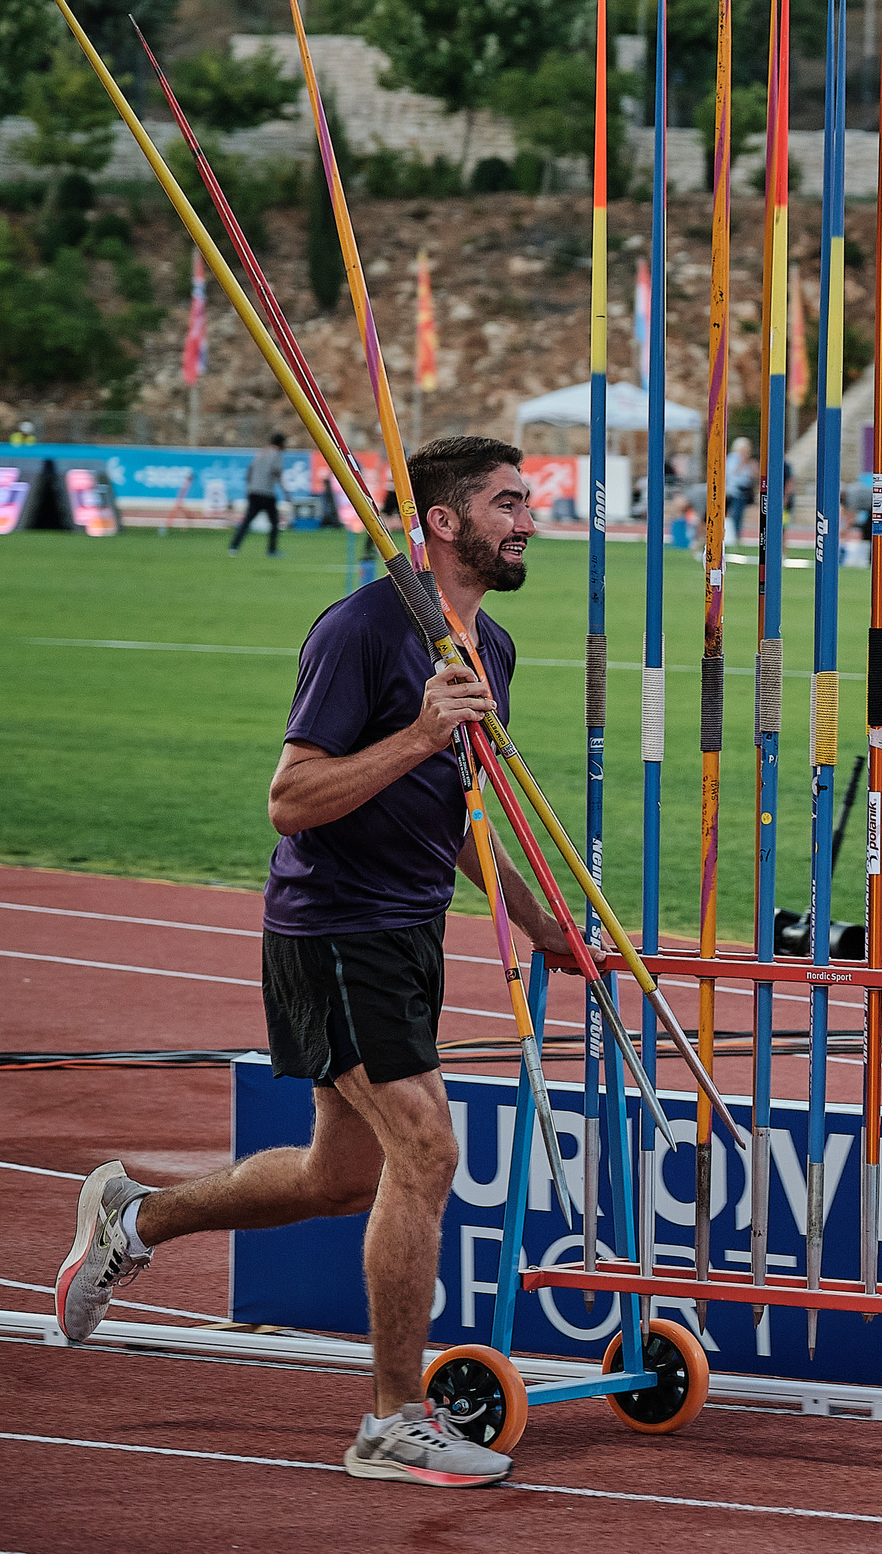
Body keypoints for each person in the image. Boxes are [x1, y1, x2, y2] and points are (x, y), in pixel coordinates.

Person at [56, 436, 572, 1488]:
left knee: (341, 1177)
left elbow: (460, 818)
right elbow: (290, 802)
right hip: (333, 930)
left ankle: (133, 1217)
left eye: (528, 501)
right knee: (427, 1150)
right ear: (441, 520)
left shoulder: (493, 648)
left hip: (407, 932)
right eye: (507, 502)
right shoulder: (364, 629)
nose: (528, 519)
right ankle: (391, 1421)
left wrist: (534, 916)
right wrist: (421, 735)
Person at [231, 432, 289, 558]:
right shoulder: (277, 454)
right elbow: (276, 472)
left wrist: (249, 487)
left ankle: (234, 547)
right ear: (280, 443)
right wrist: (286, 491)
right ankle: (272, 550)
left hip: (253, 491)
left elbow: (250, 470)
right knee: (274, 523)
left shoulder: (261, 453)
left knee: (247, 521)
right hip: (266, 493)